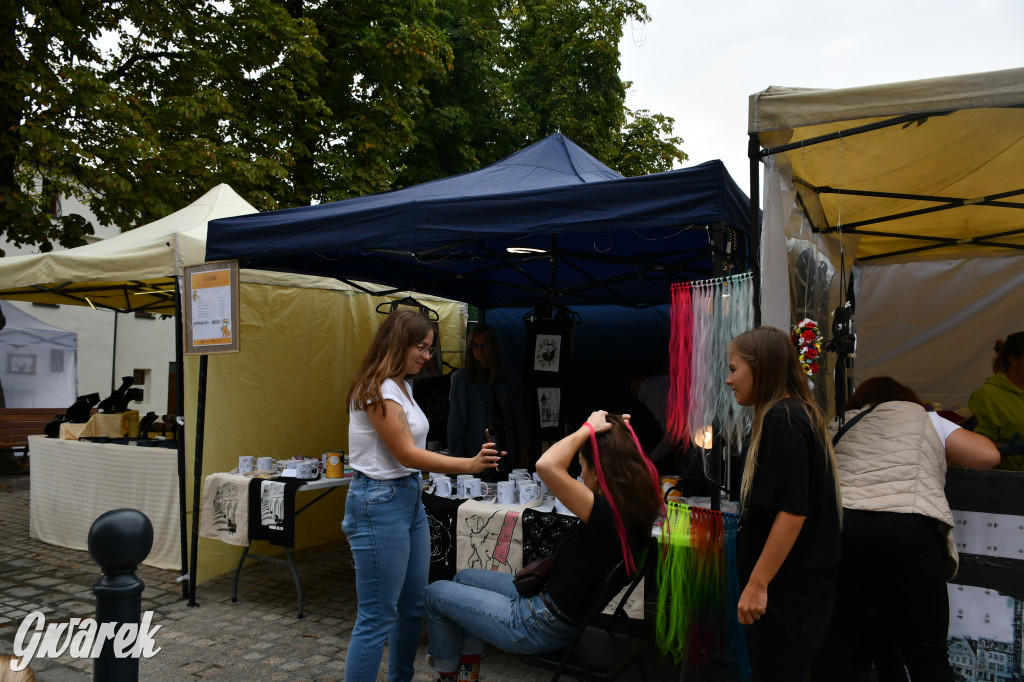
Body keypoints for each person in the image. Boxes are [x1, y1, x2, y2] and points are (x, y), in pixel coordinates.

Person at [423, 410, 663, 681]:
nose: (580, 476)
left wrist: (586, 429)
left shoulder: (606, 513)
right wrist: (619, 435)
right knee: (463, 578)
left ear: (599, 470)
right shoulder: (632, 507)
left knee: (434, 593)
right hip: (552, 608)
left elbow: (546, 466)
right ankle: (468, 674)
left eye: (582, 466)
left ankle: (447, 676)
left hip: (537, 624)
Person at [342, 309, 502, 682]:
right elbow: (407, 454)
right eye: (421, 347)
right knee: (378, 616)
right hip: (379, 501)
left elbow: (411, 455)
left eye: (430, 349)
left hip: (409, 496)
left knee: (413, 606)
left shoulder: (402, 385)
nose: (426, 356)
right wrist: (469, 464)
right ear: (398, 342)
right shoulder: (376, 388)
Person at [811, 376, 1000, 682]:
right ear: (904, 397)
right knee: (927, 655)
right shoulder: (926, 418)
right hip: (907, 526)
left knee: (834, 647)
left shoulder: (840, 423)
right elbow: (988, 456)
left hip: (844, 529)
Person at [725, 326, 842, 681]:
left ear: (761, 368)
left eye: (734, 369)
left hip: (786, 599)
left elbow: (792, 512)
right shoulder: (794, 415)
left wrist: (758, 584)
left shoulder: (783, 419)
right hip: (794, 597)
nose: (729, 381)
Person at [447, 324, 529, 472]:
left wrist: (523, 447)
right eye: (475, 345)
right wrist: (456, 459)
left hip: (506, 443)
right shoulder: (463, 378)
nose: (479, 350)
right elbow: (456, 423)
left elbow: (519, 415)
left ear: (493, 346)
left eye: (484, 345)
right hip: (476, 447)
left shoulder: (508, 376)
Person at [968, 331, 1024, 470]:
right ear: (1013, 360)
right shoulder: (987, 396)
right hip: (1005, 484)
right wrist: (1005, 449)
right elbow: (972, 446)